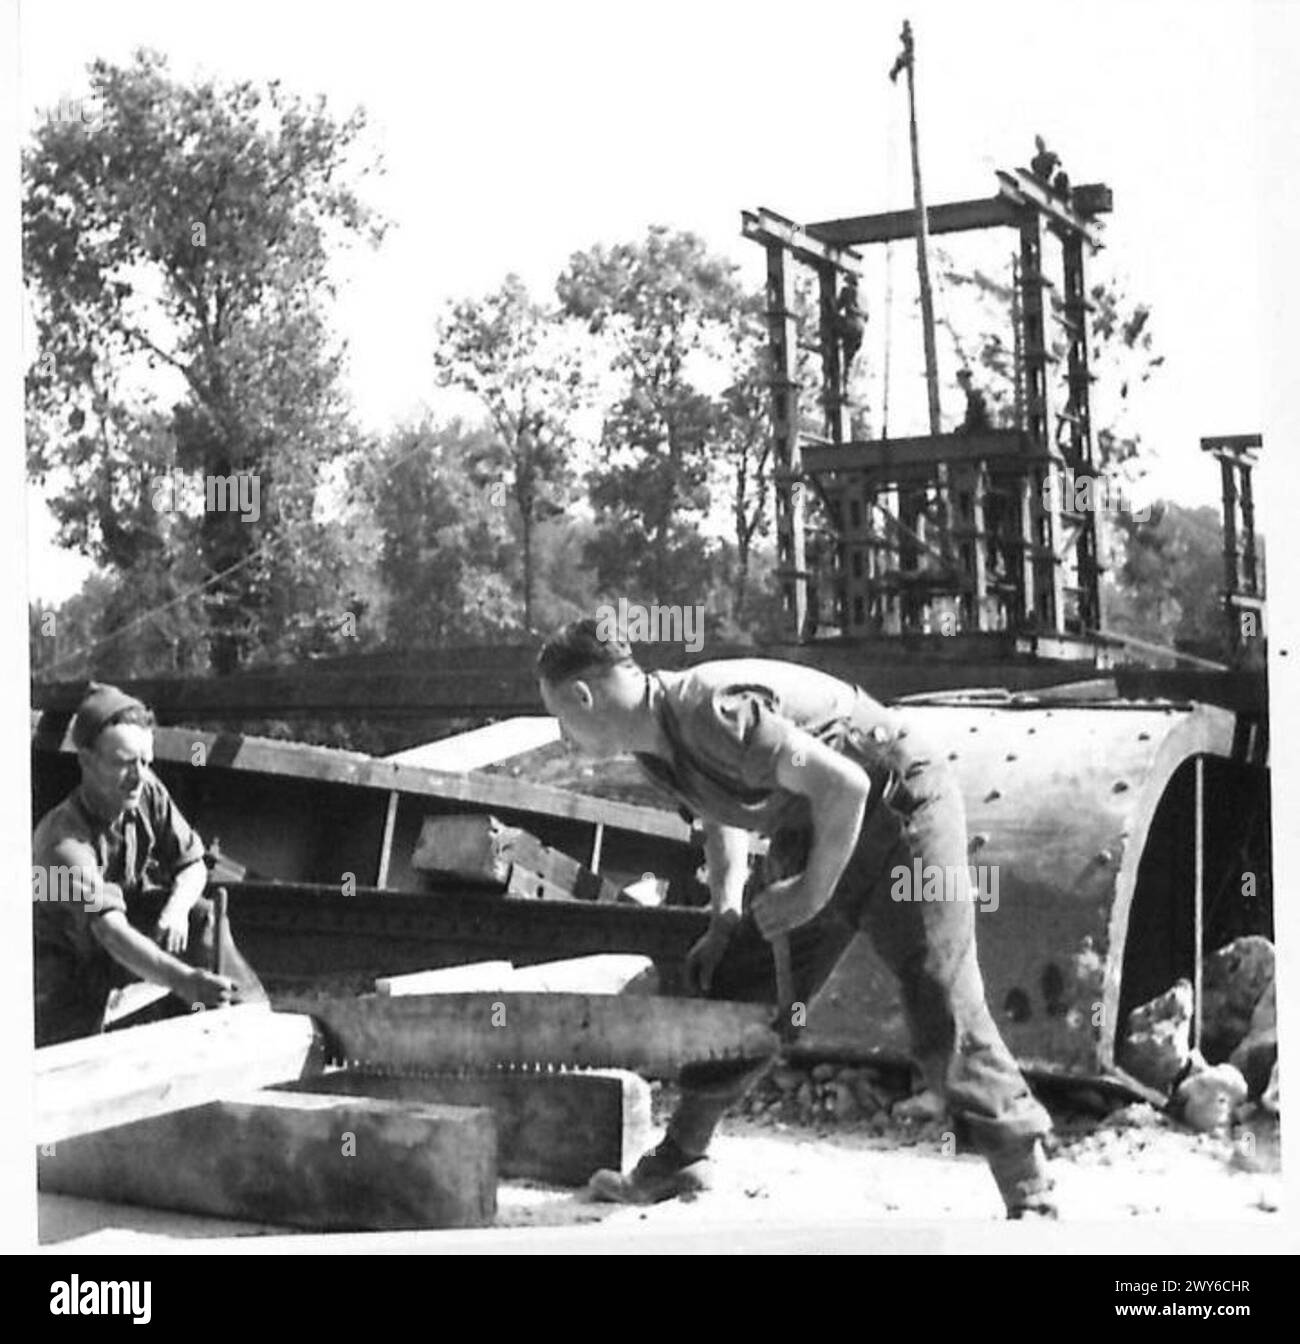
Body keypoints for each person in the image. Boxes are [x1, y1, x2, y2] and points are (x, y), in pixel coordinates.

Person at [537, 620, 1057, 1219]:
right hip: (815, 824)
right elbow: (721, 812)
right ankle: (682, 1157)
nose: (564, 735)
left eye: (561, 718)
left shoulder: (710, 710)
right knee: (743, 982)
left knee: (939, 989)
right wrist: (727, 911)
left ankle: (1029, 1185)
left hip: (898, 805)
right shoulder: (658, 743)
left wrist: (811, 892)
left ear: (582, 697)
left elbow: (847, 784)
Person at [32, 683, 267, 1047]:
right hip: (65, 967)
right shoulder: (61, 844)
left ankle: (257, 1028)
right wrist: (184, 981)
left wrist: (175, 911)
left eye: (145, 761)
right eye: (124, 763)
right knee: (67, 1068)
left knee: (200, 916)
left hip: (118, 943)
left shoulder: (145, 790)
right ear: (86, 760)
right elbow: (110, 932)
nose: (139, 775)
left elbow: (194, 865)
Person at [956, 368, 991, 433]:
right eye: (961, 380)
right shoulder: (973, 395)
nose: (964, 383)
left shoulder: (977, 395)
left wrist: (962, 429)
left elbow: (973, 418)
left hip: (982, 433)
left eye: (965, 380)